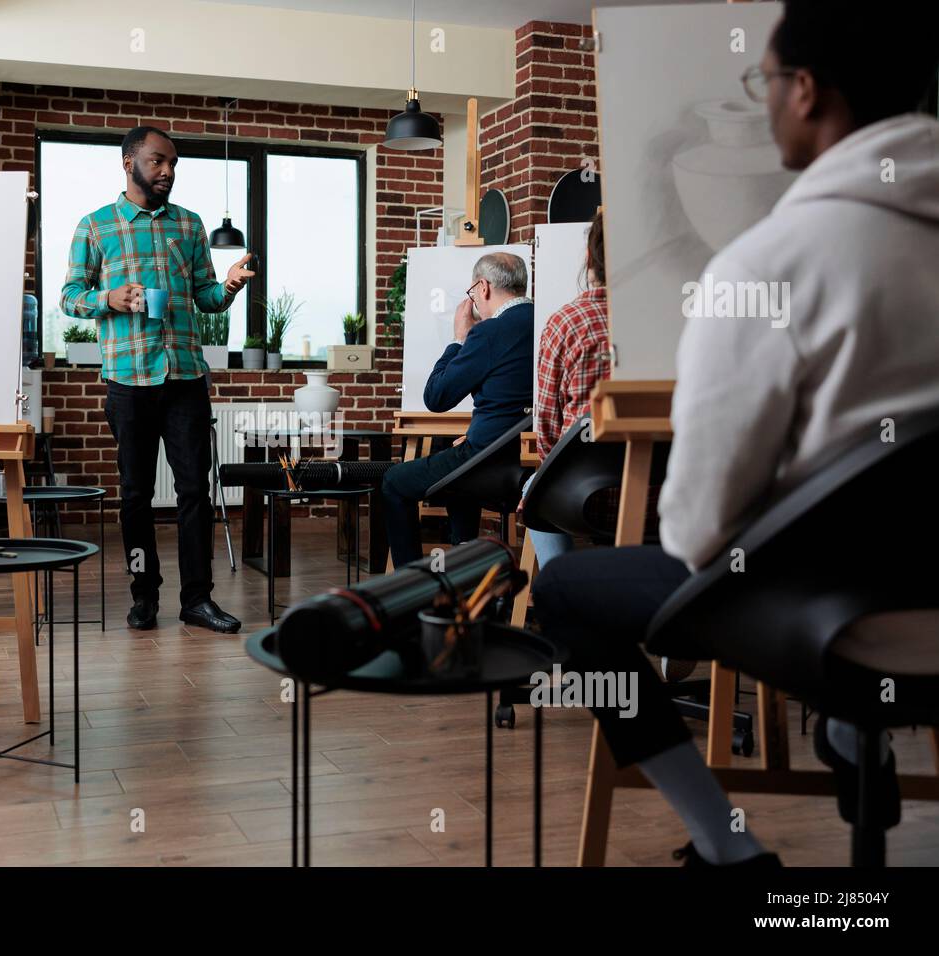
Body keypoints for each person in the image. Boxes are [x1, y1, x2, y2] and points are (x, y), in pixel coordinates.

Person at [531, 0, 939, 866]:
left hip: (838, 623)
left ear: (807, 93)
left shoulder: (767, 263)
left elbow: (696, 528)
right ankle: (846, 731)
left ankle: (727, 847)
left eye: (765, 82)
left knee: (568, 595)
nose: (761, 102)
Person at [61, 126, 254, 634]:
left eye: (172, 163)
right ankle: (144, 596)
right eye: (157, 161)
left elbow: (206, 296)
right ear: (129, 162)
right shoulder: (95, 227)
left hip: (185, 377)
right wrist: (108, 299)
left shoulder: (189, 226)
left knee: (195, 491)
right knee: (135, 495)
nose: (166, 171)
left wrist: (229, 285)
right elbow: (68, 297)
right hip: (128, 379)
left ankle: (197, 599)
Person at [382, 252, 533, 567]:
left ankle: (411, 586)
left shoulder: (489, 332)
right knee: (450, 455)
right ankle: (466, 564)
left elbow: (436, 397)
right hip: (528, 456)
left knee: (395, 481)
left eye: (472, 291)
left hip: (490, 463)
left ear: (483, 287)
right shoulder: (546, 320)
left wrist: (459, 339)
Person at [521, 211, 609, 569]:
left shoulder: (566, 323)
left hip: (582, 496)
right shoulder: (669, 318)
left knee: (533, 489)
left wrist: (544, 478)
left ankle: (559, 584)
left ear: (589, 258)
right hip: (659, 497)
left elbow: (546, 428)